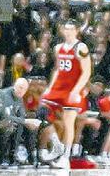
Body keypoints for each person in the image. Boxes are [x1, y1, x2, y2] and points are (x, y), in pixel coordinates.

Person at [39, 21, 91, 169]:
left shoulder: (81, 47)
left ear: (76, 31)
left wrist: (76, 91)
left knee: (69, 122)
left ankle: (65, 156)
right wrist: (50, 87)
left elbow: (86, 72)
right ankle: (57, 145)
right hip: (58, 87)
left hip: (72, 89)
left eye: (71, 29)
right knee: (42, 113)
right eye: (66, 29)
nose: (68, 31)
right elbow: (57, 69)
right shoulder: (58, 48)